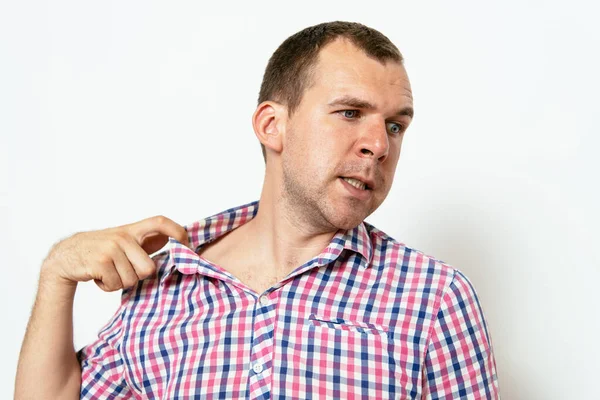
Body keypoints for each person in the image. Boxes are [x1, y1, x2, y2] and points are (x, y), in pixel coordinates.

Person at [15, 21, 499, 399]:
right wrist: (58, 273)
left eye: (395, 126)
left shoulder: (434, 298)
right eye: (350, 113)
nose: (378, 144)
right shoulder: (165, 282)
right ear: (272, 125)